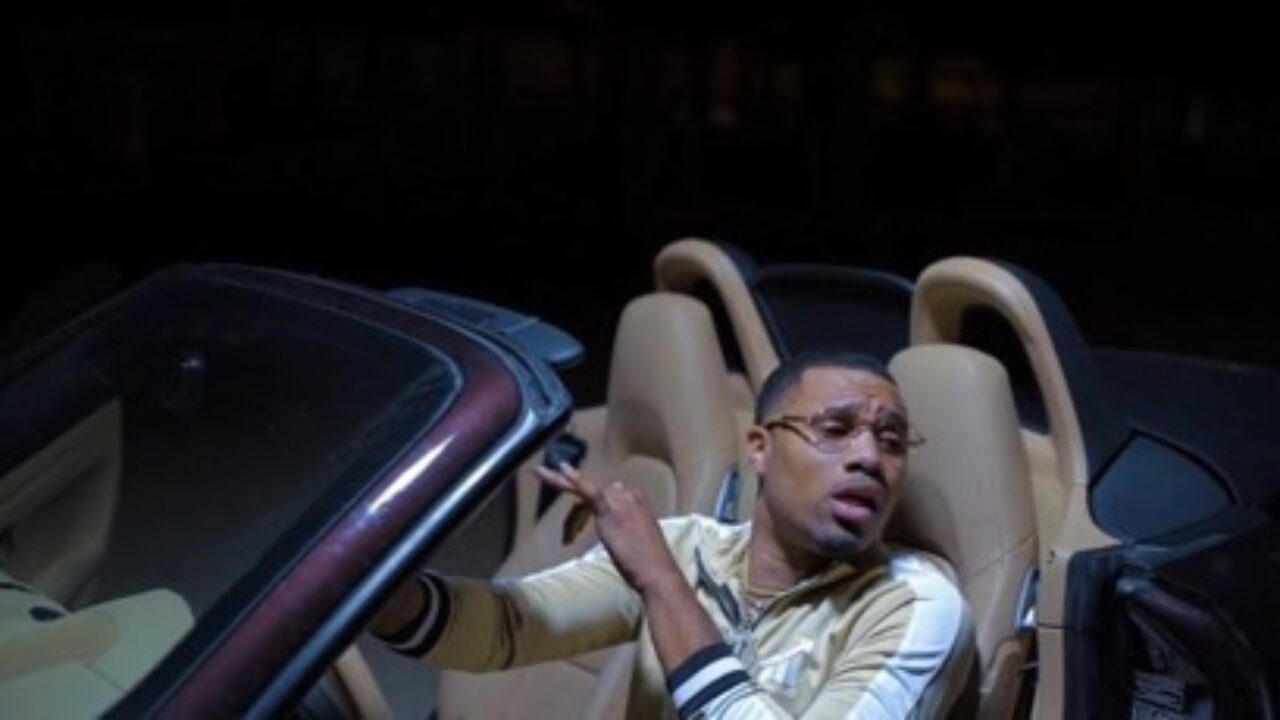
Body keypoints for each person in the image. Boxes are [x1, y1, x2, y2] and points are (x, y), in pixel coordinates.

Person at [372, 351, 974, 718]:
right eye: (836, 429)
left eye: (892, 441)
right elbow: (505, 629)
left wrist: (660, 581)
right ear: (759, 449)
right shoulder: (689, 549)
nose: (869, 457)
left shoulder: (918, 606)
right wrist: (370, 578)